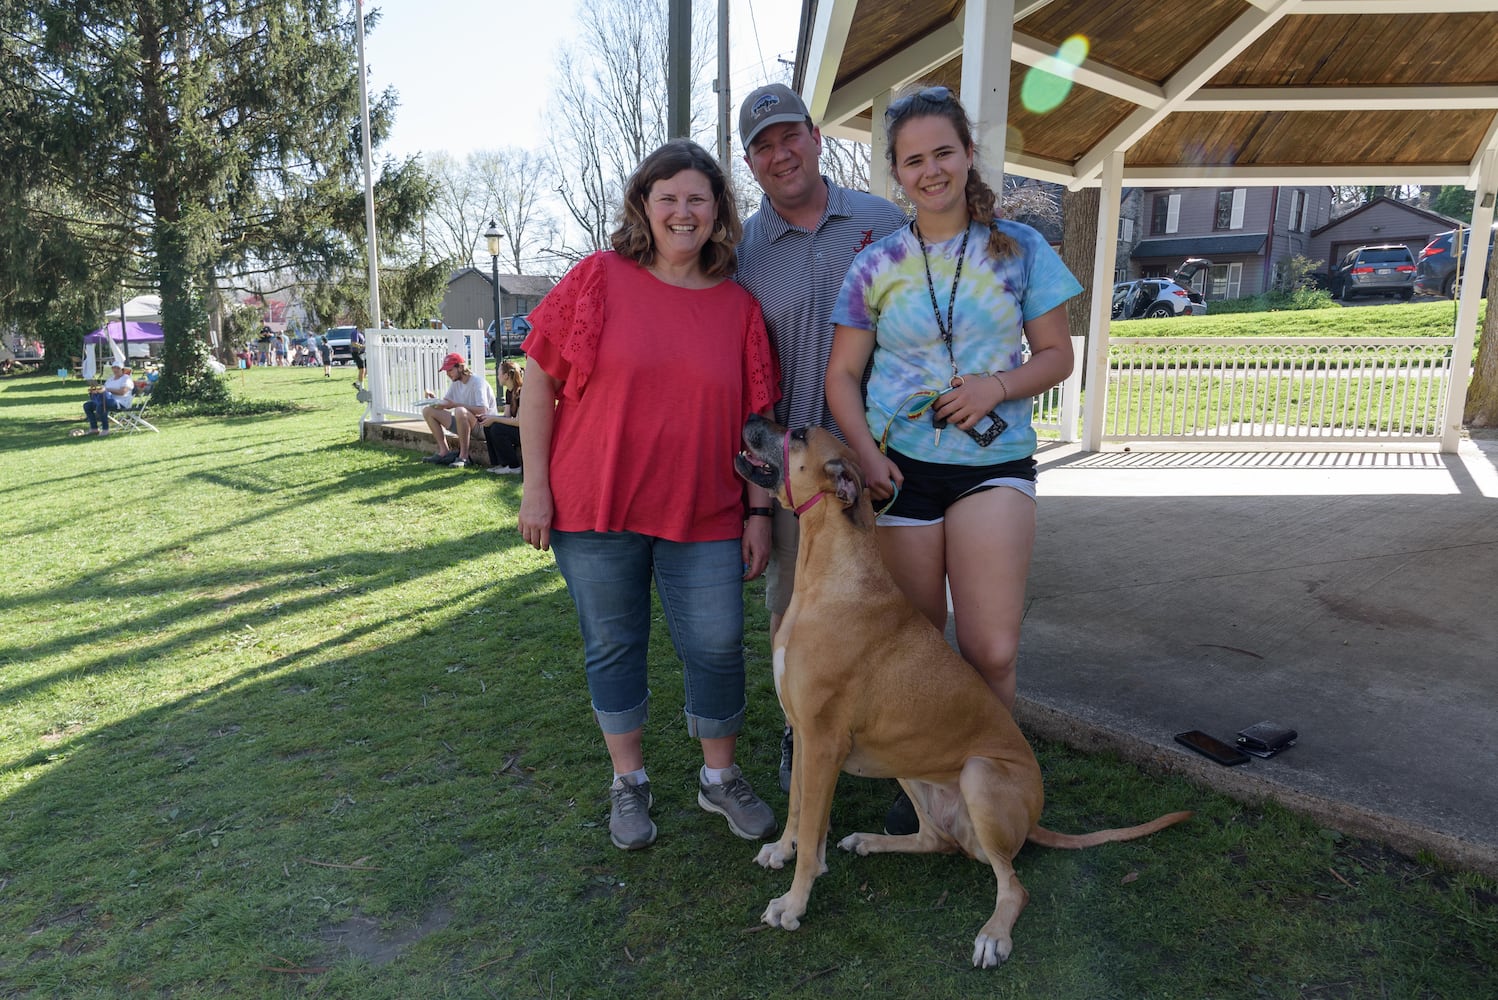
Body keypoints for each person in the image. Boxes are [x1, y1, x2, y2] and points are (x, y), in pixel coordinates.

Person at [826, 85, 1081, 834]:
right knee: (916, 644)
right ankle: (937, 801)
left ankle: (993, 778)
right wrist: (868, 459)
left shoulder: (1023, 249)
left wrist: (996, 387)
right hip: (900, 470)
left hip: (992, 463)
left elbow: (1059, 355)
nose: (930, 169)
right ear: (897, 175)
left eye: (943, 152)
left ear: (968, 156)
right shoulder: (876, 264)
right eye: (913, 160)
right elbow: (842, 375)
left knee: (990, 646)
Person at [517, 139, 781, 852]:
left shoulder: (738, 308)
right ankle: (628, 783)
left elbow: (757, 424)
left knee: (721, 645)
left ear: (719, 212)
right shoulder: (599, 278)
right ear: (644, 204)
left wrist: (759, 512)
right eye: (668, 197)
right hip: (595, 506)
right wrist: (535, 487)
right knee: (612, 642)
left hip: (706, 511)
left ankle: (719, 780)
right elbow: (538, 376)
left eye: (698, 198)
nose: (682, 211)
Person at [734, 82, 908, 792]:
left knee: (899, 609)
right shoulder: (746, 249)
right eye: (763, 145)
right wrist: (754, 503)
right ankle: (798, 733)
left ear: (815, 134)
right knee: (794, 613)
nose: (781, 154)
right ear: (750, 162)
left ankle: (899, 744)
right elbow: (742, 371)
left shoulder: (883, 220)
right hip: (796, 477)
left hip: (882, 458)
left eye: (789, 135)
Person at [420, 352, 497, 469]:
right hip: (465, 423)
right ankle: (443, 452)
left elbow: (483, 410)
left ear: (460, 367)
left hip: (483, 427)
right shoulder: (456, 382)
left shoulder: (477, 382)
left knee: (460, 410)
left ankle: (464, 457)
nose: (447, 374)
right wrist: (434, 400)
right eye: (446, 371)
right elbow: (446, 402)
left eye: (450, 370)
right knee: (428, 411)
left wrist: (455, 405)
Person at [480, 359, 524, 475]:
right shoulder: (509, 392)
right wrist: (489, 418)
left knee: (497, 428)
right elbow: (506, 416)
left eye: (498, 373)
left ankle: (514, 466)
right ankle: (502, 464)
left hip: (526, 433)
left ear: (505, 376)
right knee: (489, 426)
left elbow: (519, 422)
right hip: (518, 429)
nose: (497, 376)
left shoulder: (522, 391)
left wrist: (494, 418)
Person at [82, 361, 134, 436]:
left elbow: (122, 392)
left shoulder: (126, 379)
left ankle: (105, 429)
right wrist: (96, 391)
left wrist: (107, 390)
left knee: (102, 405)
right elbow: (104, 390)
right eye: (114, 368)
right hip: (107, 400)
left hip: (121, 402)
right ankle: (94, 428)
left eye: (118, 368)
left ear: (122, 369)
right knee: (87, 405)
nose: (115, 370)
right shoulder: (110, 379)